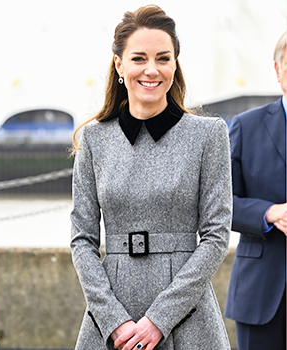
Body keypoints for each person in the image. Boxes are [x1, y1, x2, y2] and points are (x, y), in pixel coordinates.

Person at [69, 5, 232, 350]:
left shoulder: (208, 135)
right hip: (113, 316)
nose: (151, 70)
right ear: (119, 65)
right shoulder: (94, 140)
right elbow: (82, 239)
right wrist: (114, 321)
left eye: (163, 58)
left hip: (188, 316)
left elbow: (216, 235)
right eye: (139, 58)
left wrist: (160, 319)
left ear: (175, 64)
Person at [224, 32, 287, 350]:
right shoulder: (245, 126)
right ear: (277, 71)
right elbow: (220, 205)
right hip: (262, 294)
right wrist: (269, 212)